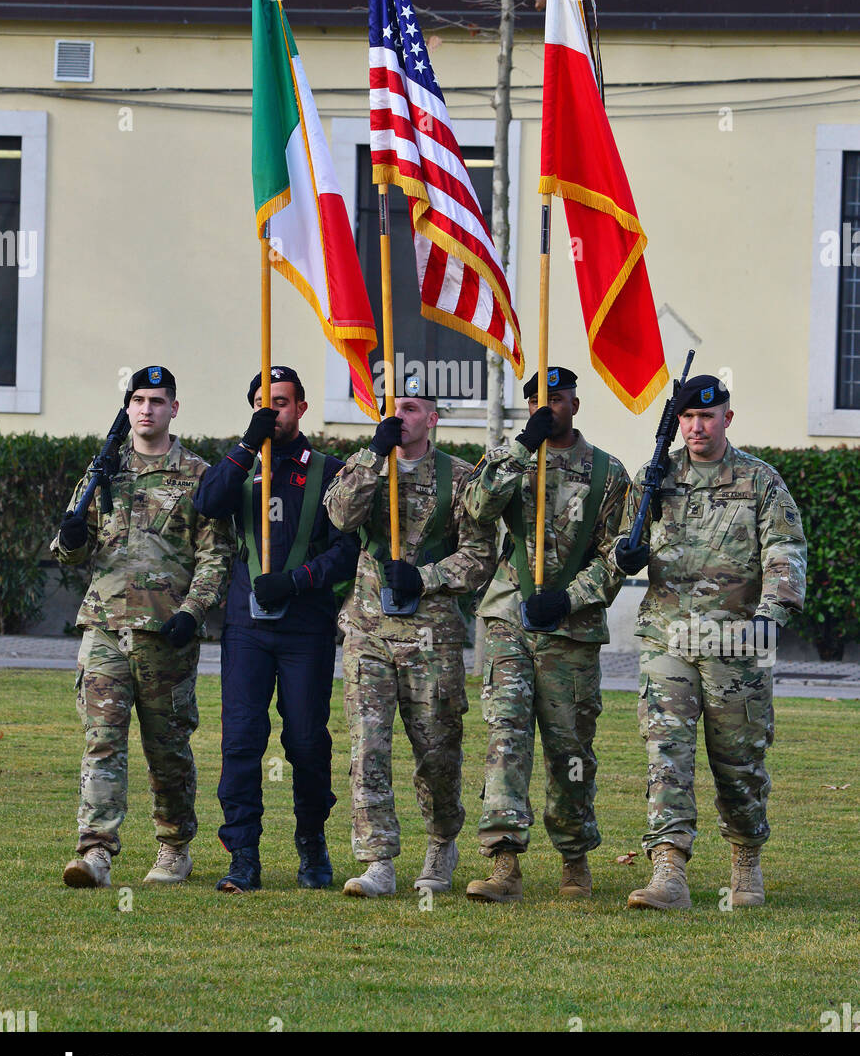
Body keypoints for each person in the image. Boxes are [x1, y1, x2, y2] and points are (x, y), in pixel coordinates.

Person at [612, 374, 807, 910]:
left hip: (736, 643)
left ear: (727, 418)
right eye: (688, 418)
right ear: (678, 422)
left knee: (738, 762)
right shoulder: (654, 479)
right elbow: (621, 544)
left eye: (707, 416)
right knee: (666, 755)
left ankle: (746, 858)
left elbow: (786, 550)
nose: (696, 427)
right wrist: (622, 558)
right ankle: (668, 870)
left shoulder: (759, 481)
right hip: (667, 638)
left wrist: (771, 615)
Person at [53, 366, 234, 889]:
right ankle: (95, 853)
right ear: (127, 407)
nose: (146, 409)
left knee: (167, 748)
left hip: (166, 634)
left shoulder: (198, 475)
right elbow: (71, 550)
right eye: (137, 400)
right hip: (106, 627)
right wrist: (69, 537)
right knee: (103, 741)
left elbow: (215, 555)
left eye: (157, 400)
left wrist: (193, 612)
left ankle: (174, 846)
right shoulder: (103, 470)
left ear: (174, 409)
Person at [323, 373, 496, 898]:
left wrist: (425, 577)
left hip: (430, 636)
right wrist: (374, 461)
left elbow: (480, 558)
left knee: (437, 750)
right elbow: (339, 517)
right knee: (368, 747)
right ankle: (377, 858)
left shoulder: (463, 478)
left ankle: (443, 840)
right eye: (395, 407)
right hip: (368, 631)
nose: (401, 416)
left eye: (413, 408)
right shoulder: (364, 464)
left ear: (433, 418)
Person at [461, 366, 629, 904]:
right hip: (510, 618)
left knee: (570, 747)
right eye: (537, 399)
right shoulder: (512, 458)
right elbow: (477, 508)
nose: (547, 406)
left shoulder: (607, 472)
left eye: (557, 399)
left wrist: (570, 597)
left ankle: (574, 857)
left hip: (570, 631)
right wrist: (518, 447)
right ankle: (503, 861)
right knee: (505, 736)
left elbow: (616, 557)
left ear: (575, 405)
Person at [193, 366, 359, 893]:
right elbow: (206, 503)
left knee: (306, 742)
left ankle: (312, 841)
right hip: (245, 628)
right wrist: (248, 442)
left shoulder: (330, 471)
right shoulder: (240, 464)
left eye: (283, 403)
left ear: (302, 408)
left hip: (305, 627)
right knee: (241, 739)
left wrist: (297, 581)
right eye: (265, 403)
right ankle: (243, 853)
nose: (275, 412)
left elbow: (347, 549)